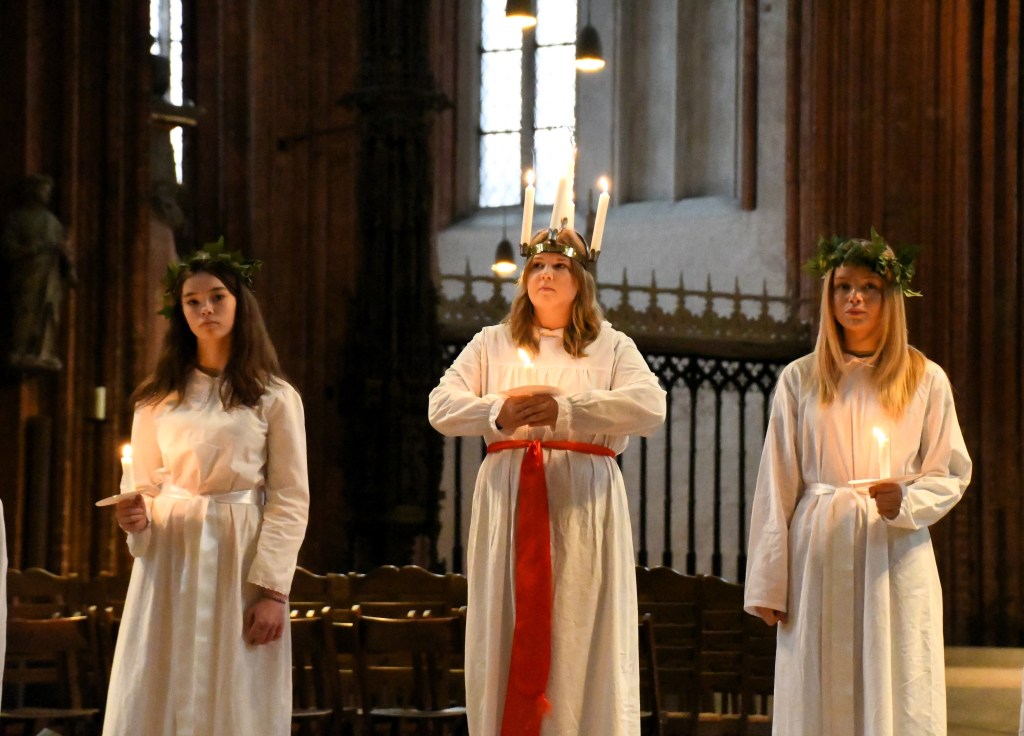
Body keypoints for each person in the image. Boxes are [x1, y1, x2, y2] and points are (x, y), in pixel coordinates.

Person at [428, 227, 666, 736]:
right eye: (537, 266)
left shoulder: (610, 345)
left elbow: (650, 406)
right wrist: (497, 411)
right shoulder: (491, 342)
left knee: (578, 623)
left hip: (583, 503)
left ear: (580, 281)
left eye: (559, 266)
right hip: (511, 499)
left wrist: (569, 409)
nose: (546, 275)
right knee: (508, 619)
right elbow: (441, 406)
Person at [744, 229, 972, 735]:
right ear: (829, 296)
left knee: (894, 677)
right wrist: (768, 580)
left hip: (891, 551)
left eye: (870, 287)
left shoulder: (924, 378)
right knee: (817, 684)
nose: (855, 298)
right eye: (844, 286)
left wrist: (906, 501)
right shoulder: (801, 379)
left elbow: (951, 471)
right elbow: (776, 482)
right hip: (818, 551)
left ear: (891, 298)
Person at [103, 239, 309, 736]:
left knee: (235, 683)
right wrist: (134, 519)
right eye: (192, 301)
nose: (206, 309)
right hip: (171, 558)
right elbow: (141, 488)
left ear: (240, 304)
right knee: (160, 675)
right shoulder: (157, 400)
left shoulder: (274, 397)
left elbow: (290, 497)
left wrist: (273, 591)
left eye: (217, 297)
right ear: (180, 313)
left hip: (240, 557)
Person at [1, 174, 77, 371]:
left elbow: (63, 250)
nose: (46, 195)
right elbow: (8, 247)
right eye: (43, 190)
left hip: (50, 277)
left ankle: (43, 352)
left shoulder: (52, 221)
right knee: (25, 313)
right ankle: (20, 350)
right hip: (28, 275)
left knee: (48, 313)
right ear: (32, 192)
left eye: (48, 191)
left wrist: (67, 261)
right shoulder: (17, 218)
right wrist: (32, 249)